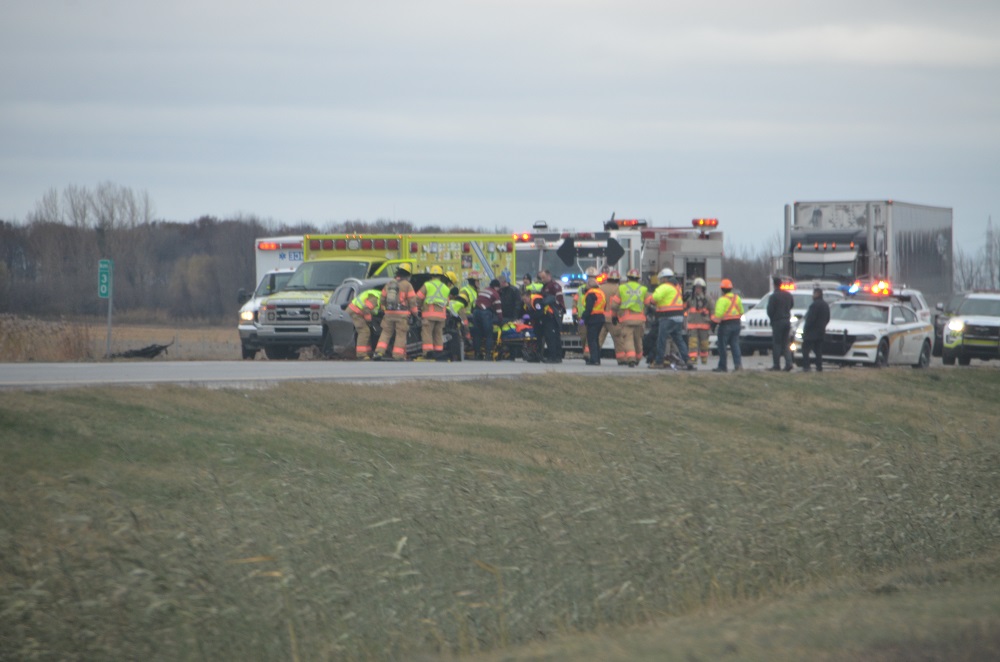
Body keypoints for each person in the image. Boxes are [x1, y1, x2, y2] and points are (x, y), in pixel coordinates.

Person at [647, 268, 695, 370]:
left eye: (661, 279)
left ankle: (659, 362)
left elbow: (655, 298)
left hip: (667, 317)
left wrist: (649, 300)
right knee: (679, 339)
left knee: (661, 340)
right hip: (678, 317)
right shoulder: (677, 287)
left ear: (665, 279)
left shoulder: (664, 287)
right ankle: (687, 360)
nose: (660, 281)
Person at [375, 264, 418, 361]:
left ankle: (379, 352)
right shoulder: (407, 285)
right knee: (400, 334)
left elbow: (382, 298)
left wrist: (384, 309)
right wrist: (415, 313)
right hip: (402, 314)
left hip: (389, 313)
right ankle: (397, 355)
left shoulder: (389, 283)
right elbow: (412, 301)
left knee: (385, 333)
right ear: (407, 274)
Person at [416, 265, 450, 360]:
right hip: (441, 316)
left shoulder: (427, 285)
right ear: (441, 276)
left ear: (431, 275)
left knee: (427, 333)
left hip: (428, 314)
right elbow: (447, 302)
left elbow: (418, 297)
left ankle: (428, 353)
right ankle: (439, 352)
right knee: (438, 334)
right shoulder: (445, 288)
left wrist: (419, 306)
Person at [616, 268, 647, 367]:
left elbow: (614, 304)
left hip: (627, 319)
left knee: (628, 339)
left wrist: (614, 315)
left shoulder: (622, 288)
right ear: (638, 279)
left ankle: (631, 358)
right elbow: (649, 302)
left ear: (628, 278)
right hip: (640, 320)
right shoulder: (643, 289)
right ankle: (638, 358)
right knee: (638, 339)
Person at [711, 278, 744, 372]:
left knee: (722, 346)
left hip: (725, 325)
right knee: (735, 345)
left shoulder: (722, 300)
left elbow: (718, 315)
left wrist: (712, 323)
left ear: (722, 289)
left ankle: (722, 366)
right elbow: (741, 311)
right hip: (736, 324)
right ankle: (738, 365)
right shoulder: (737, 298)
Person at [766, 275, 795, 371]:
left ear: (774, 285)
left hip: (777, 321)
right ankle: (789, 363)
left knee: (777, 343)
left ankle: (776, 365)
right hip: (787, 321)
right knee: (785, 343)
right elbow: (791, 305)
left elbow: (770, 310)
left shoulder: (773, 296)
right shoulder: (788, 295)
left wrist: (773, 318)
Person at [471, 278, 504, 360]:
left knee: (477, 334)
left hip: (476, 312)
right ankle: (488, 355)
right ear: (496, 287)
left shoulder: (483, 290)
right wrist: (501, 320)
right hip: (485, 313)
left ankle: (477, 354)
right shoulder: (495, 294)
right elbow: (498, 309)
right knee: (489, 334)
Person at [538, 269, 565, 363]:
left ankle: (555, 357)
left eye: (543, 277)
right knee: (549, 336)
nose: (542, 279)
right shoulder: (545, 286)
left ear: (549, 276)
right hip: (547, 314)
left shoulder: (555, 286)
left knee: (553, 336)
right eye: (541, 277)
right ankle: (553, 356)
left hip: (554, 315)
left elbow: (559, 300)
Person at [347, 287, 382, 360]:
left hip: (357, 312)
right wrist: (368, 319)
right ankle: (361, 354)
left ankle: (368, 352)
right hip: (355, 313)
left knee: (367, 331)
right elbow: (366, 308)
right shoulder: (376, 298)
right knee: (364, 331)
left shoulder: (377, 295)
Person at [801, 287, 830, 371]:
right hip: (821, 331)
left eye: (814, 293)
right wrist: (822, 325)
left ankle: (806, 366)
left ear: (817, 294)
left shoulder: (814, 305)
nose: (812, 295)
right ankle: (819, 366)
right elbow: (828, 318)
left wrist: (806, 328)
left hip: (811, 332)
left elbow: (810, 319)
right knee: (818, 350)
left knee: (805, 349)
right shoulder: (825, 305)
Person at [580, 269, 606, 365]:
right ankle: (597, 359)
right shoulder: (600, 292)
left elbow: (589, 308)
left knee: (592, 340)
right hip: (601, 318)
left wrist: (583, 318)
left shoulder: (590, 293)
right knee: (595, 339)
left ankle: (594, 360)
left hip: (593, 319)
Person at [599, 270, 626, 364]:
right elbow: (621, 305)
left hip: (601, 317)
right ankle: (621, 359)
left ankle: (593, 356)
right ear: (618, 279)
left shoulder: (600, 288)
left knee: (598, 339)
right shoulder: (620, 289)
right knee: (618, 339)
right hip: (614, 318)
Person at [685, 277, 713, 365]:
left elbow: (713, 310)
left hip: (704, 325)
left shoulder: (707, 299)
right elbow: (683, 307)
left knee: (704, 343)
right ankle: (693, 359)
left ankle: (704, 358)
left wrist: (712, 320)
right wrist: (683, 299)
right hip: (693, 325)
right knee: (692, 343)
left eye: (700, 288)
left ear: (703, 289)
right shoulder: (690, 299)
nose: (698, 289)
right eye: (696, 287)